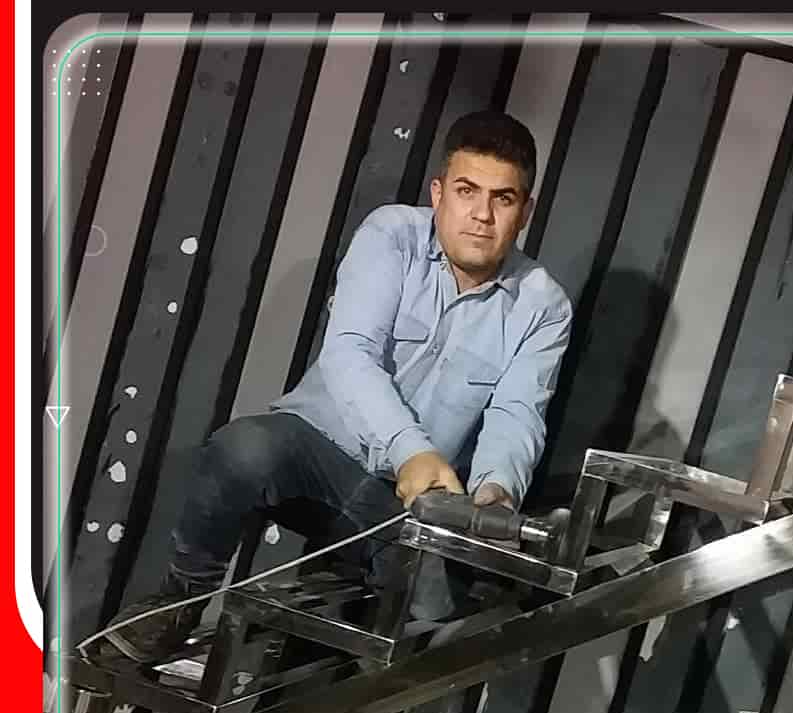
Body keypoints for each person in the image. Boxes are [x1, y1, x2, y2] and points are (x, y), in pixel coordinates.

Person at [98, 110, 573, 663]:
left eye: (503, 199)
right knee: (244, 450)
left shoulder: (544, 305)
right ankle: (180, 602)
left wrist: (495, 495)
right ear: (439, 193)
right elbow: (350, 353)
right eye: (467, 191)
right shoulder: (392, 234)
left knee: (437, 608)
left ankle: (303, 660)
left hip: (403, 504)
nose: (482, 215)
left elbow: (517, 414)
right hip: (316, 452)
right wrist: (411, 450)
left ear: (525, 211)